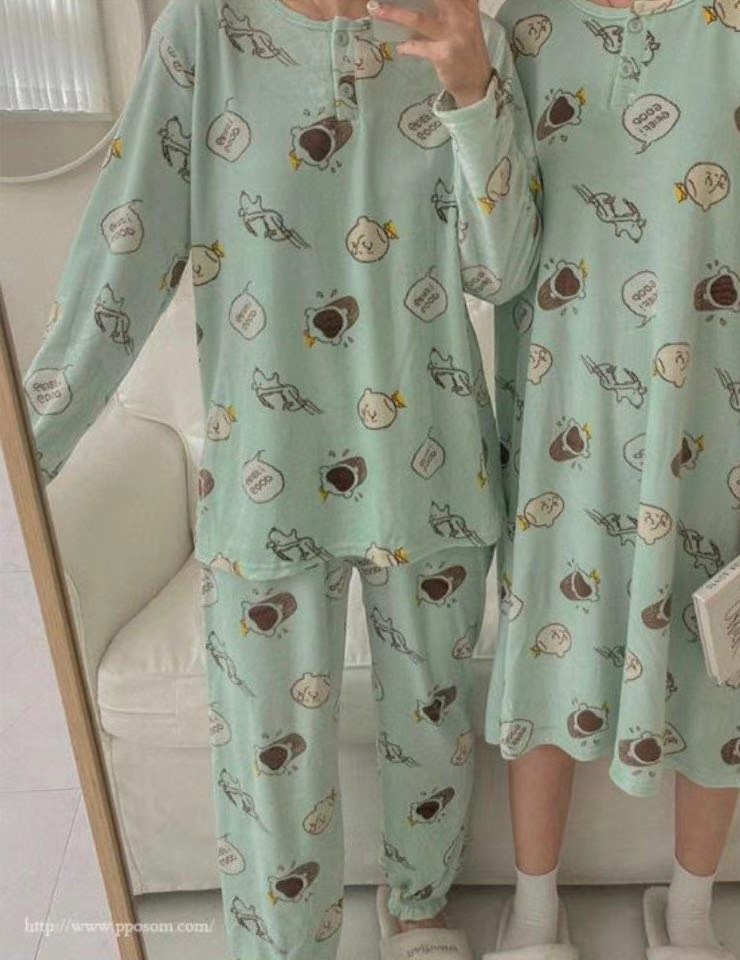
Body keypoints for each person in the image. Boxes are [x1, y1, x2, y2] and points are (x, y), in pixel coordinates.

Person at [19, 0, 540, 956]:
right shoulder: (204, 34)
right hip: (266, 469)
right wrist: (26, 451)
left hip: (428, 463)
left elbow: (502, 272)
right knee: (269, 765)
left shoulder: (463, 30)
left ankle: (419, 911)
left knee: (433, 731)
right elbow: (125, 254)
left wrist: (472, 91)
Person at [483, 0, 740, 955]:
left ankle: (688, 921)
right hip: (562, 410)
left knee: (719, 662)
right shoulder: (525, 25)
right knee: (547, 652)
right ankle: (534, 916)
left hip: (717, 418)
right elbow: (499, 254)